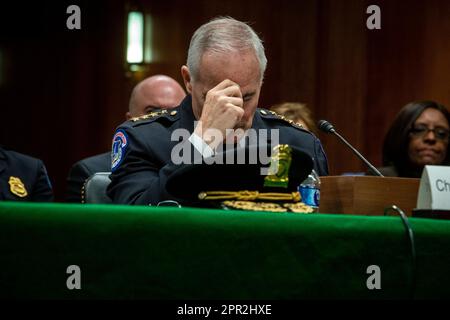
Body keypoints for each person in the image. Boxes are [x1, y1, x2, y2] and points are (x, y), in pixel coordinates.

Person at [107, 17, 328, 205]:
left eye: (247, 97)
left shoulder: (298, 143)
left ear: (261, 81)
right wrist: (201, 142)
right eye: (218, 98)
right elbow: (137, 224)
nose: (237, 113)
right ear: (188, 80)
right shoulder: (143, 140)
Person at [65, 75, 186, 202]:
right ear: (130, 120)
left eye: (174, 112)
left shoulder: (200, 161)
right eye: (152, 112)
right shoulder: (88, 171)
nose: (163, 120)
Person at [380, 100, 450, 178]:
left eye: (441, 133)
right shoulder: (379, 178)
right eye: (419, 129)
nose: (431, 138)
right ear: (401, 133)